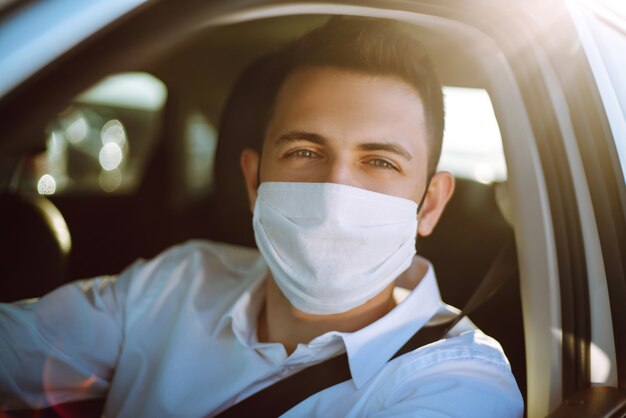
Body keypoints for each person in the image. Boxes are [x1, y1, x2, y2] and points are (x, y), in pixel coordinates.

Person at [0, 17, 524, 417]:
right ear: (253, 181)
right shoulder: (177, 281)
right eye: (304, 151)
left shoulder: (456, 386)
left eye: (380, 161)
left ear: (429, 204)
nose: (335, 189)